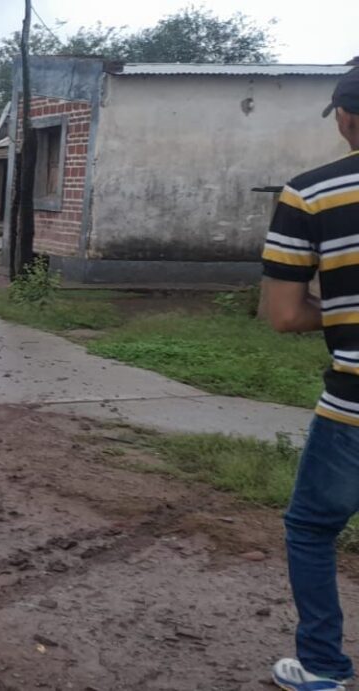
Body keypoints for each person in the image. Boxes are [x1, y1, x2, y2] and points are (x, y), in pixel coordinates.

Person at [263, 61, 359, 691]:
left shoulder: (313, 193)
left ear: (347, 119)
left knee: (312, 528)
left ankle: (323, 665)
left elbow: (283, 315)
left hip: (352, 406)